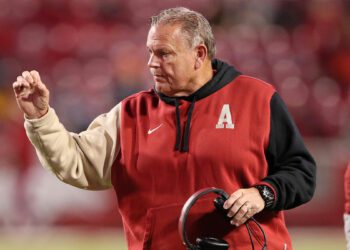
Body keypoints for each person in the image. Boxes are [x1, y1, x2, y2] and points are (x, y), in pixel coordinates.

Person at [12, 7, 316, 250]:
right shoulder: (130, 113)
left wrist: (262, 194)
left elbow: (301, 172)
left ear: (199, 54)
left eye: (163, 54)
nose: (151, 63)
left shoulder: (257, 99)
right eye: (150, 52)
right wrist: (41, 118)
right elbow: (76, 163)